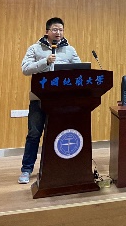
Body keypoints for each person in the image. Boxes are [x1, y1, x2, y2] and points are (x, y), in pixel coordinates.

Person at [18, 17, 81, 184]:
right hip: (39, 99)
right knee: (34, 134)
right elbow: (25, 69)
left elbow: (80, 70)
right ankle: (26, 169)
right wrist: (45, 61)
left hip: (61, 101)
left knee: (57, 134)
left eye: (61, 30)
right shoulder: (35, 48)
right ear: (47, 31)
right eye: (55, 29)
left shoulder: (70, 50)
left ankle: (55, 168)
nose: (58, 33)